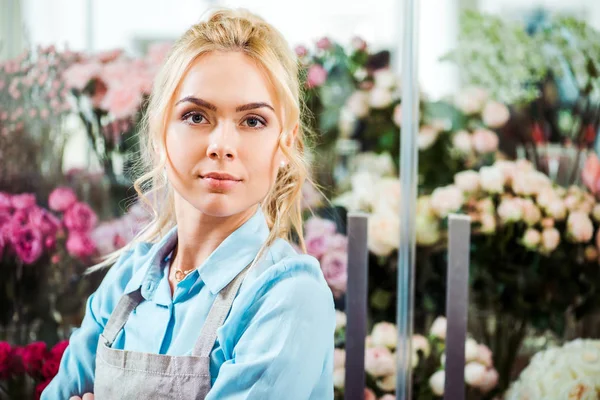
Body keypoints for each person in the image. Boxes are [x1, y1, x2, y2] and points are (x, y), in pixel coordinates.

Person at [41, 8, 335, 400]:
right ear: (162, 130)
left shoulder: (287, 295)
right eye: (196, 116)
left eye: (253, 121)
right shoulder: (127, 279)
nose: (222, 146)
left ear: (287, 144)